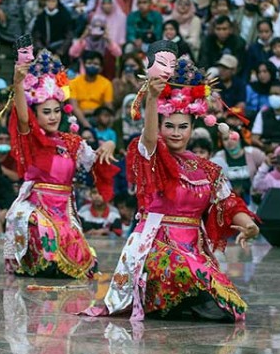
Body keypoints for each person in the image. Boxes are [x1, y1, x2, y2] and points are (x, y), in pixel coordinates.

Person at [81, 41, 260, 322]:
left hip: (193, 247)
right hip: (156, 242)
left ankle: (184, 302)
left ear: (192, 128)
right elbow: (150, 138)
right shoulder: (153, 157)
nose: (176, 133)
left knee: (230, 307)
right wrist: (152, 99)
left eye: (183, 127)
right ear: (161, 126)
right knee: (177, 270)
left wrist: (248, 224)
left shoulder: (207, 169)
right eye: (170, 126)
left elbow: (227, 202)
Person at [4, 48, 118, 279]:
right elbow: (23, 118)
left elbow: (95, 160)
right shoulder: (32, 139)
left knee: (79, 256)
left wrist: (110, 146)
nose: (53, 117)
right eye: (46, 112)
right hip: (37, 207)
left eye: (57, 111)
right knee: (43, 231)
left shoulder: (72, 143)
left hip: (64, 211)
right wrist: (18, 83)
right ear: (36, 114)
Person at [69, 51, 113, 127]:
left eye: (96, 64)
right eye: (89, 63)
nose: (92, 66)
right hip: (78, 116)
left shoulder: (106, 84)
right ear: (84, 65)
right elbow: (74, 107)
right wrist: (87, 125)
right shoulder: (73, 83)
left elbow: (108, 107)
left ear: (101, 68)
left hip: (98, 117)